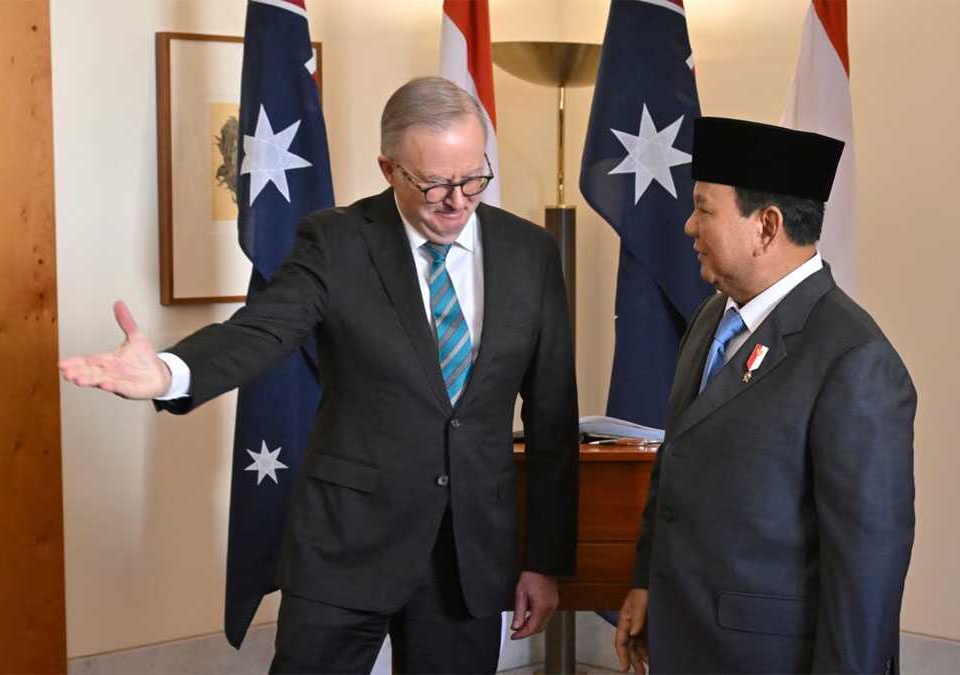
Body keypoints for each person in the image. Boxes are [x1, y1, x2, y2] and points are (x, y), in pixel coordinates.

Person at [59, 77, 579, 675]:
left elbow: (552, 422)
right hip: (345, 546)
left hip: (470, 556)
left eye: (472, 178)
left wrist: (544, 560)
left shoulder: (530, 253)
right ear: (388, 168)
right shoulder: (336, 242)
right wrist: (172, 372)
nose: (457, 200)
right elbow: (263, 329)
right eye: (435, 183)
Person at [614, 117, 916, 674]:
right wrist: (645, 582)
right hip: (685, 640)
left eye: (705, 209)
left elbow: (866, 566)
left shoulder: (854, 358)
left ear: (767, 226)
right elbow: (676, 466)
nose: (688, 226)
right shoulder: (711, 317)